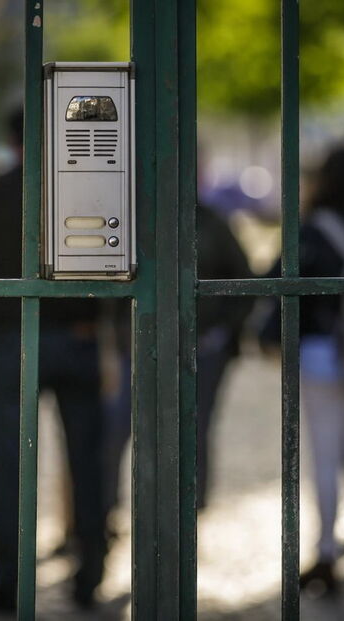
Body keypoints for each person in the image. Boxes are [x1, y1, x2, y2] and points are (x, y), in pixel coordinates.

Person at [0, 109, 107, 610]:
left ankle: (10, 580)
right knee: (86, 464)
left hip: (12, 339)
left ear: (11, 141)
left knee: (11, 467)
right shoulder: (84, 188)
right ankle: (89, 576)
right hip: (78, 334)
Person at [279, 147, 344, 593]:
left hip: (323, 351)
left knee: (325, 456)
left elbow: (284, 282)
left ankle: (326, 552)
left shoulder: (314, 229)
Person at [103, 202, 253, 518]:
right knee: (120, 423)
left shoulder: (211, 221)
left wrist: (225, 331)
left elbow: (242, 279)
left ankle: (190, 506)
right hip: (138, 342)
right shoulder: (128, 219)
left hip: (204, 343)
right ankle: (108, 502)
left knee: (195, 423)